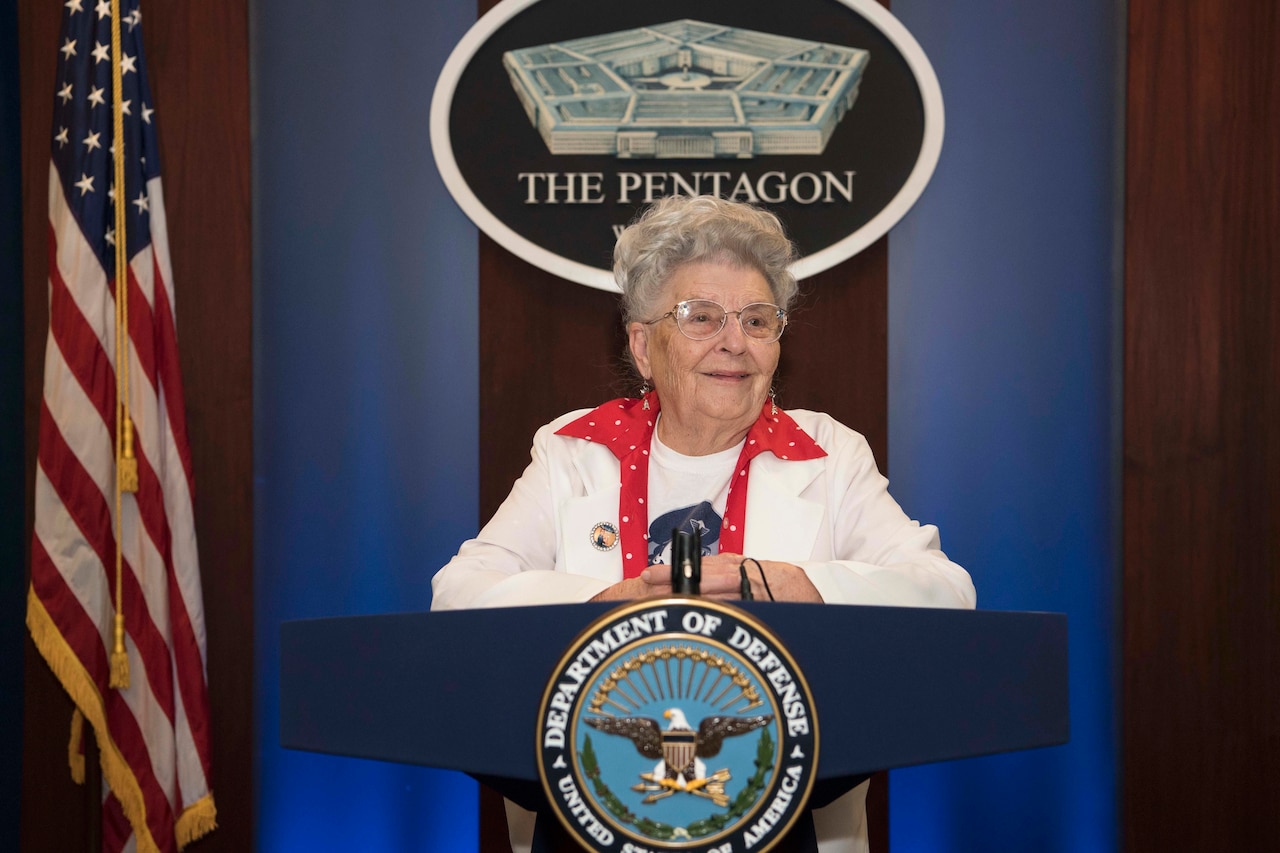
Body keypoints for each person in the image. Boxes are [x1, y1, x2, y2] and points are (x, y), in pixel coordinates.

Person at [432, 195, 976, 853]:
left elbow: (947, 595)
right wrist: (608, 604)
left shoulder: (828, 454)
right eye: (701, 317)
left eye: (756, 319)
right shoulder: (573, 451)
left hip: (786, 824)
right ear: (642, 344)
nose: (734, 342)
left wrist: (790, 585)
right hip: (592, 820)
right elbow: (459, 596)